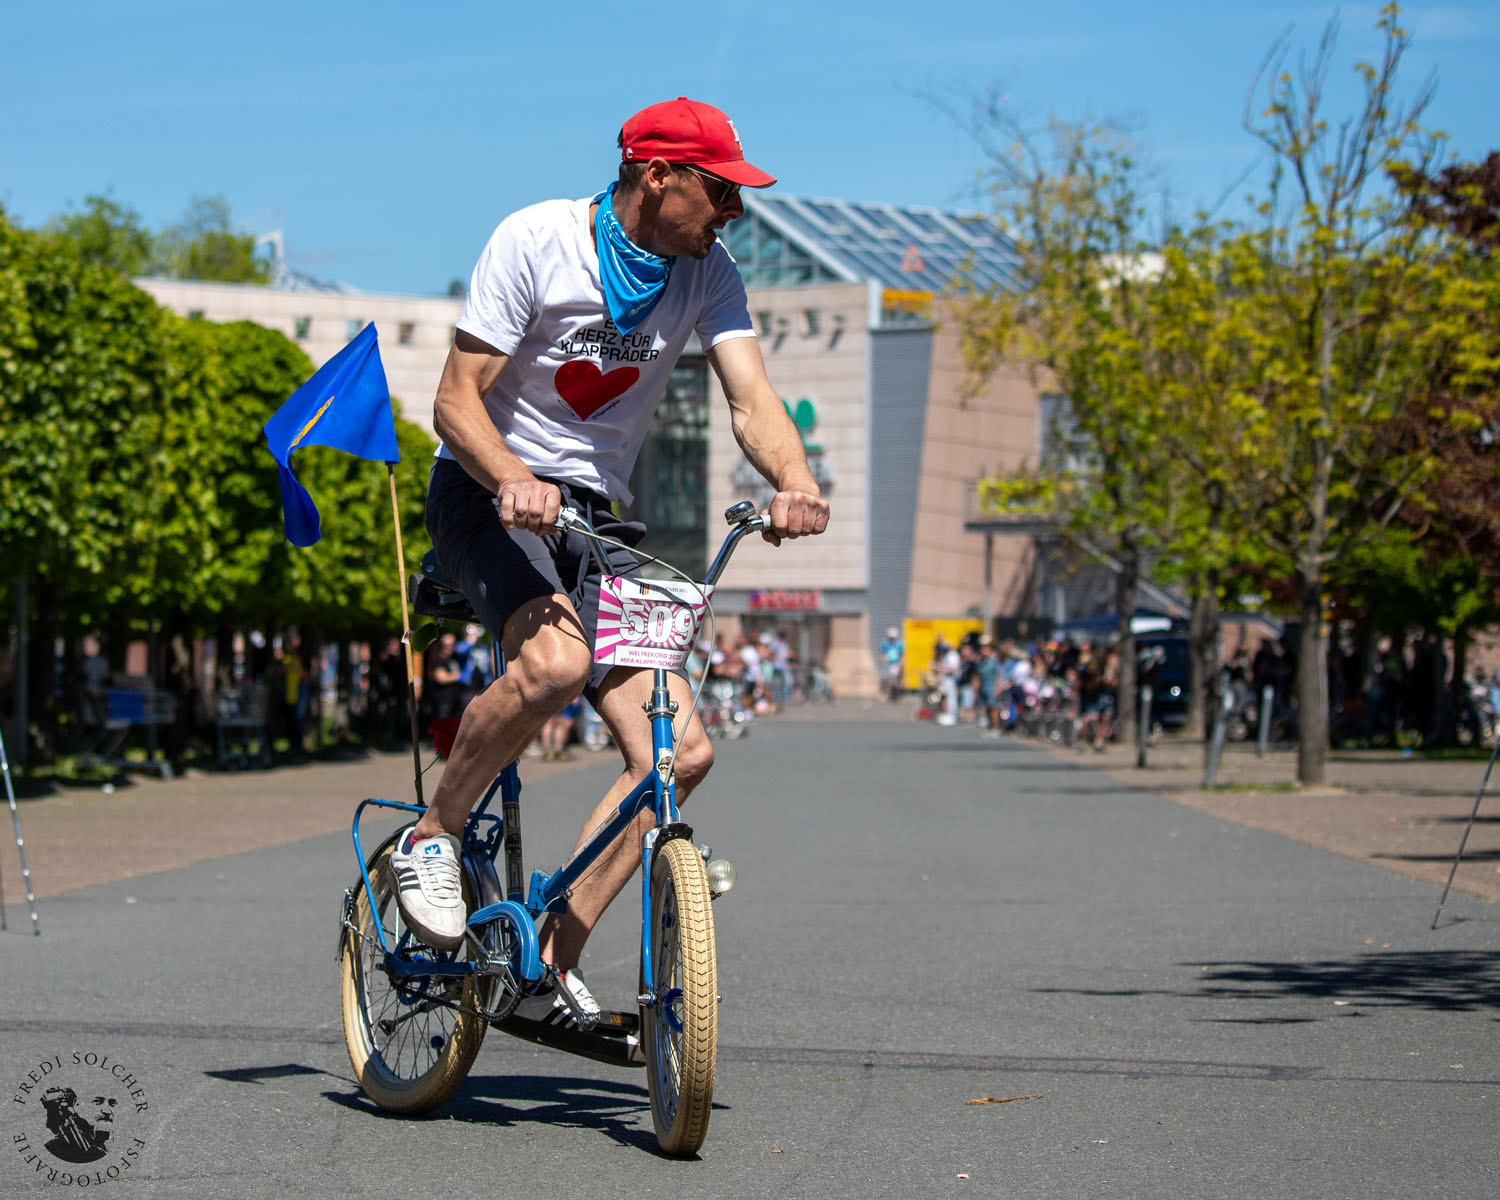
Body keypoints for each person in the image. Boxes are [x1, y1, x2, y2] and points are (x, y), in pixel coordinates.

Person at [390, 98, 829, 1024]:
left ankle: (548, 961)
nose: (733, 215)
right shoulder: (539, 241)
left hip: (592, 523)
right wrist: (512, 474)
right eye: (721, 192)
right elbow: (455, 403)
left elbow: (752, 398)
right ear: (658, 174)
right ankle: (430, 837)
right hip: (484, 491)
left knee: (682, 752)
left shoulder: (709, 274)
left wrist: (794, 479)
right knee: (554, 664)